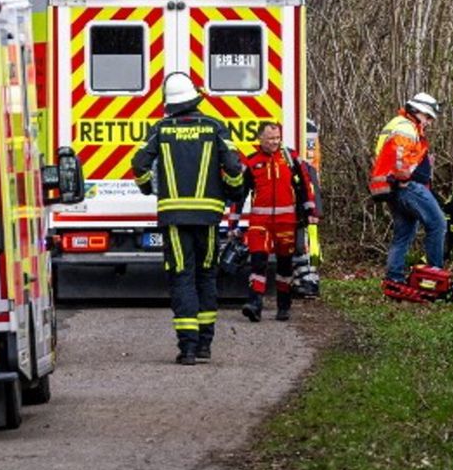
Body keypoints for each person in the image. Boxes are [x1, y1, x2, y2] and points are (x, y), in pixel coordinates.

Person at [131, 71, 245, 365]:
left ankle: (188, 349)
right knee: (206, 276)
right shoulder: (215, 127)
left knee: (182, 277)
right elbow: (234, 168)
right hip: (208, 217)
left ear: (169, 102)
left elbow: (139, 164)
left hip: (174, 218)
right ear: (195, 99)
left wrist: (147, 188)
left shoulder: (161, 129)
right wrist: (234, 192)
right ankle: (205, 345)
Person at [232, 121, 317, 322]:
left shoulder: (290, 158)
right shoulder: (251, 162)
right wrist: (233, 223)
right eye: (270, 138)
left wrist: (310, 211)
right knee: (258, 261)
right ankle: (254, 304)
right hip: (259, 222)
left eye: (277, 138)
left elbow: (305, 185)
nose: (274, 142)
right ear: (260, 138)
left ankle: (284, 306)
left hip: (286, 221)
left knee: (285, 265)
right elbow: (239, 195)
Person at [370, 92, 446, 284]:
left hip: (393, 188)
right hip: (406, 186)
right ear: (417, 111)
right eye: (427, 117)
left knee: (403, 235)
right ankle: (435, 277)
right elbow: (400, 159)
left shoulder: (397, 124)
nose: (429, 122)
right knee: (437, 224)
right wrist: (406, 175)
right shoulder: (406, 128)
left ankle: (394, 278)